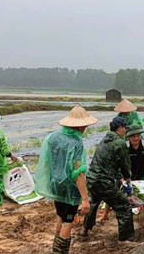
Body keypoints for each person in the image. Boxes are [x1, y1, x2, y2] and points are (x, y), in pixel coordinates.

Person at [35, 105, 98, 254]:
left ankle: (55, 248)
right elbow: (78, 172)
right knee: (68, 222)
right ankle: (60, 251)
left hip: (56, 184)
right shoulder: (76, 143)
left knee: (60, 216)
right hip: (70, 188)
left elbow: (47, 163)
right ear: (82, 125)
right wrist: (84, 198)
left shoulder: (53, 137)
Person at [83, 117, 134, 241]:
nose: (126, 131)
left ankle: (85, 230)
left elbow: (110, 163)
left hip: (92, 179)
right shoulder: (119, 143)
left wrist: (119, 178)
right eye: (125, 128)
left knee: (94, 203)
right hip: (104, 182)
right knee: (124, 206)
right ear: (119, 128)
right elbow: (125, 164)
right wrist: (127, 179)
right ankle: (126, 239)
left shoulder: (105, 139)